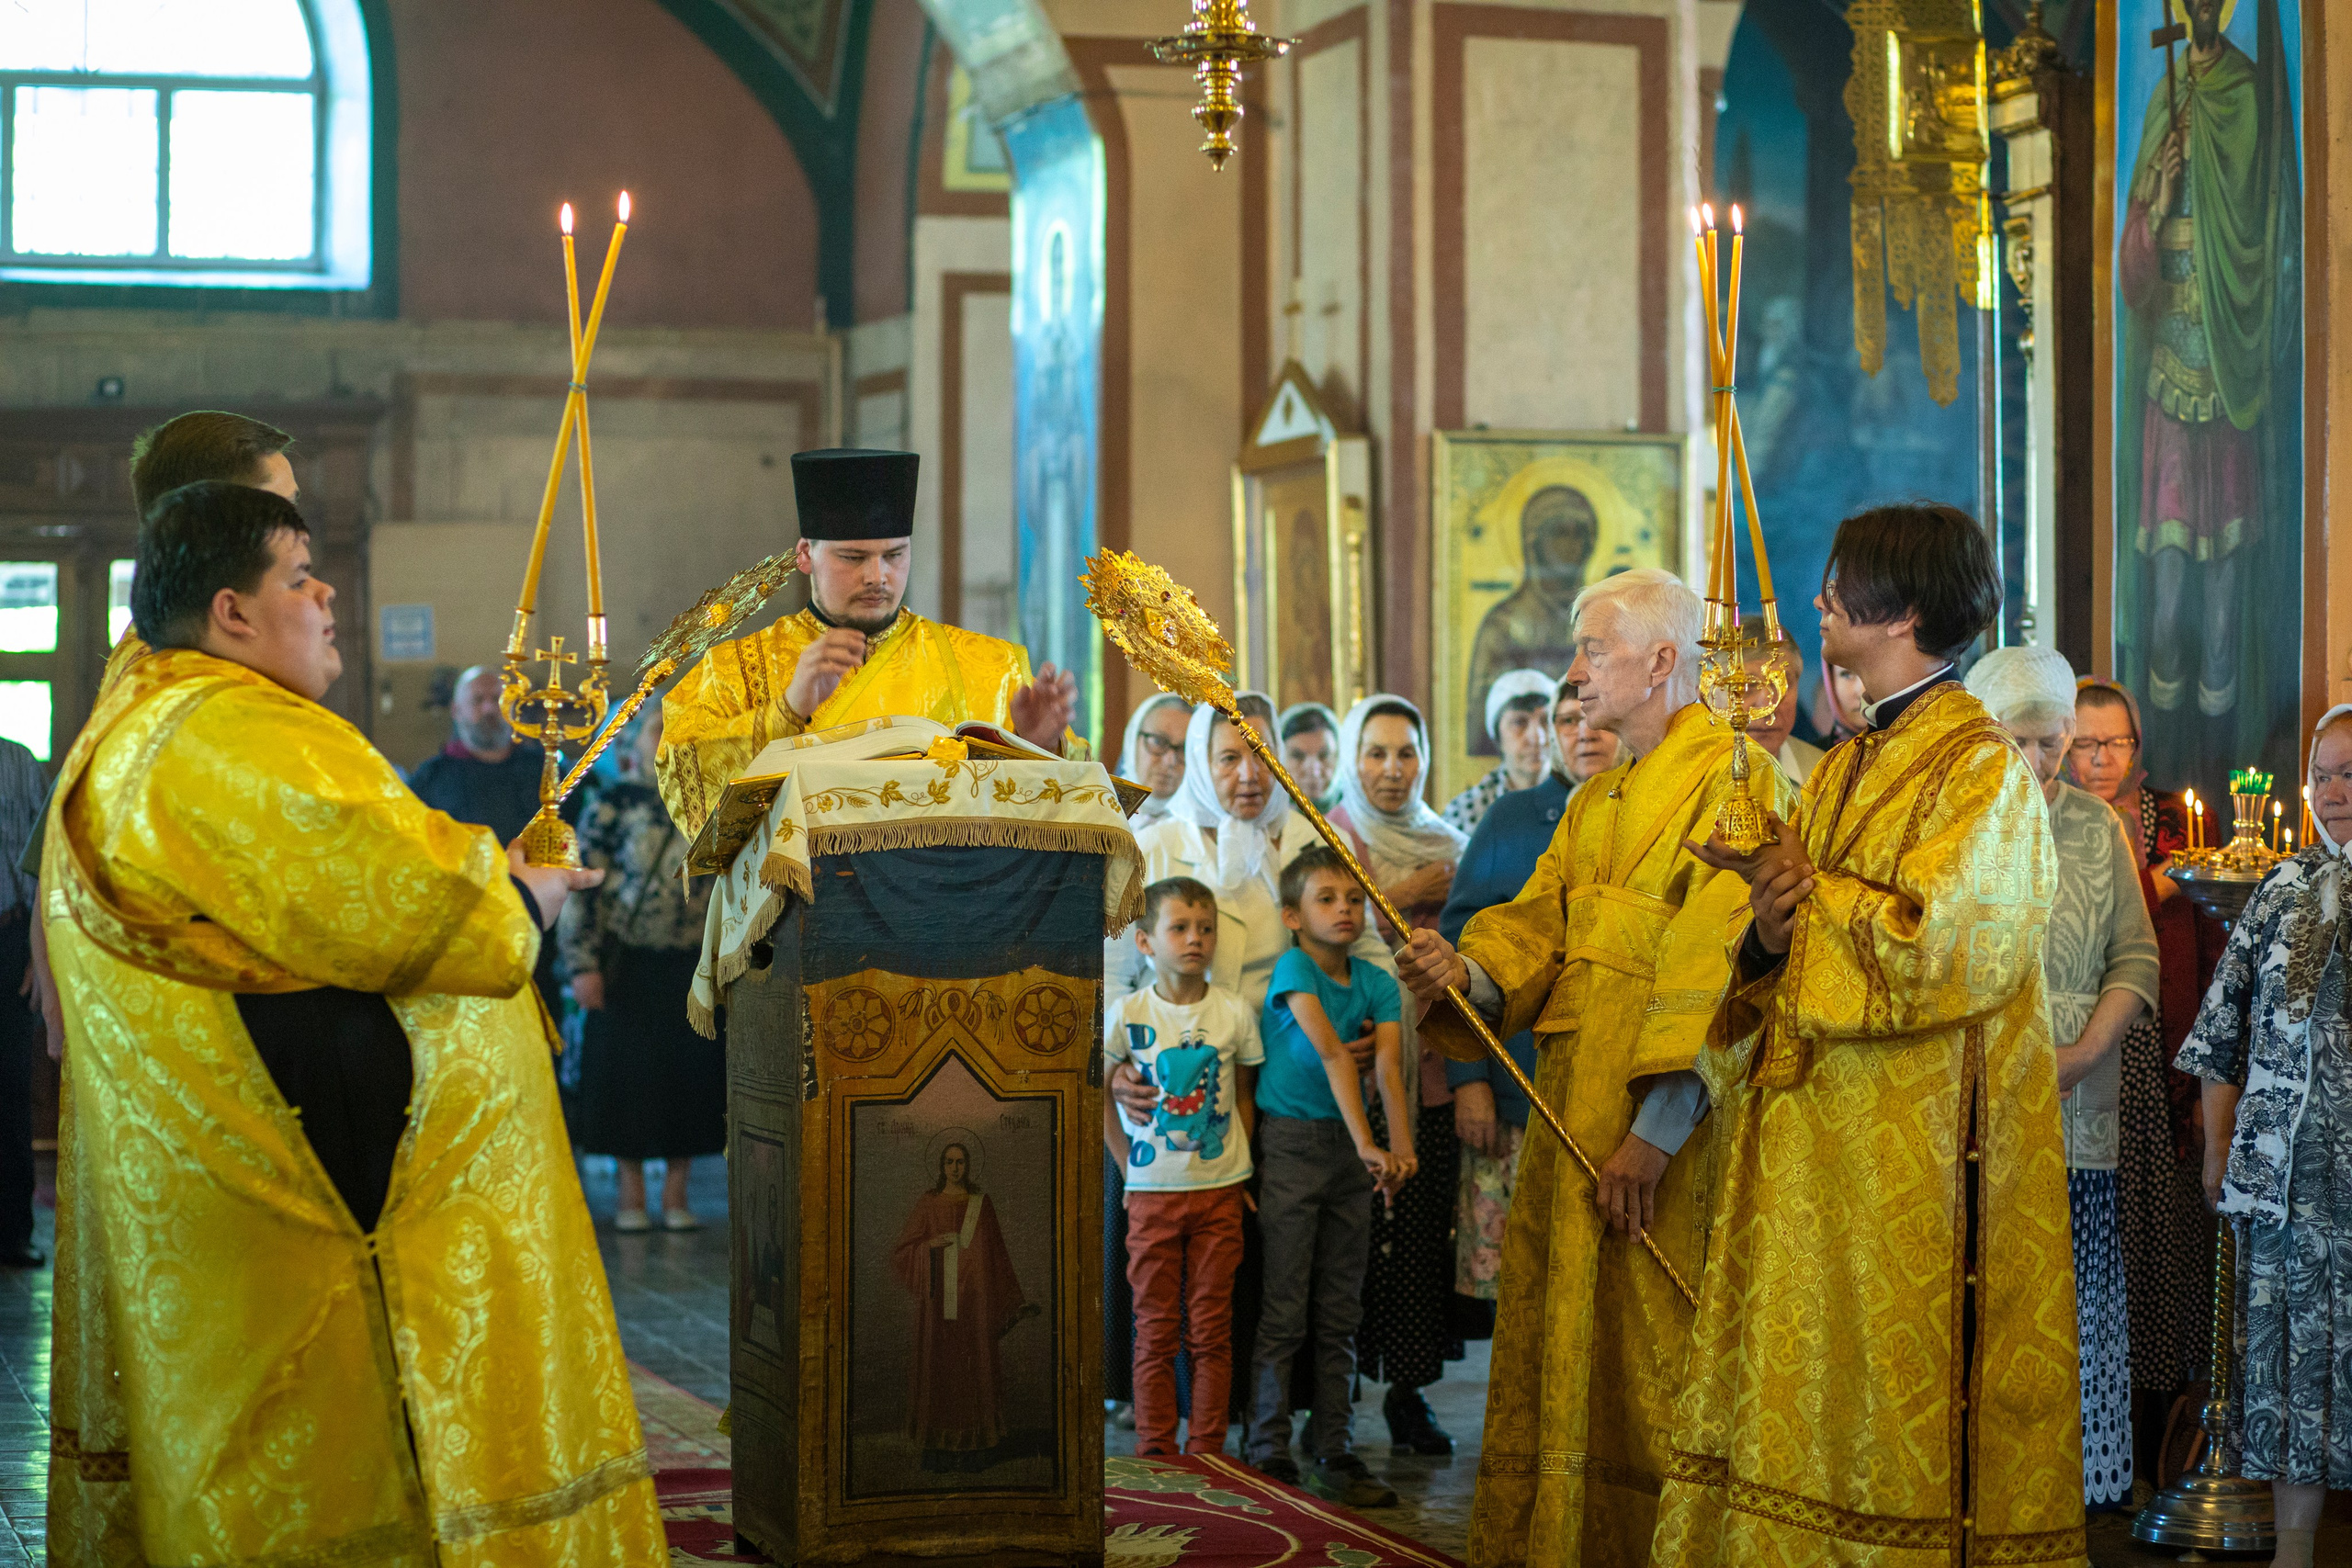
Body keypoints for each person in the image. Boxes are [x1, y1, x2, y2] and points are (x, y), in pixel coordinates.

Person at [42, 482, 660, 1562]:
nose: (328, 595)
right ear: (232, 612)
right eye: (299, 575)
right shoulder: (225, 734)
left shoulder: (171, 720)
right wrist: (524, 891)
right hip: (310, 1199)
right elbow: (392, 903)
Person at [1655, 502, 2080, 1562]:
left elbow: (1947, 949)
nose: (1817, 602)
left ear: (1900, 610)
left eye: (1840, 586)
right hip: (1808, 1155)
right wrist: (1765, 921)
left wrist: (1804, 891)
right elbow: (1788, 936)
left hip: (1914, 1175)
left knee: (1893, 1408)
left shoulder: (1977, 771)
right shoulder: (1844, 765)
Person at [1396, 568, 1793, 1567]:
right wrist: (1469, 970)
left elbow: (1721, 967)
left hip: (1663, 1140)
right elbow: (1537, 926)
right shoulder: (1598, 799)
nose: (1571, 675)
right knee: (1568, 1346)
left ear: (1663, 663)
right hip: (1571, 1115)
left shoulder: (1734, 782)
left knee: (1658, 1364)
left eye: (1592, 651)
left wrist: (1654, 1137)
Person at [21, 410, 302, 1059]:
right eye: (285, 506)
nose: (300, 529)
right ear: (224, 516)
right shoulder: (178, 663)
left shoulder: (155, 645)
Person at [657, 448, 1080, 836]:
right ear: (806, 555)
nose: (877, 576)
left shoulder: (993, 665)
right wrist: (788, 710)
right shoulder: (735, 666)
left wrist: (1036, 745)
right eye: (853, 558)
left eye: (895, 555)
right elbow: (683, 770)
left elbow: (1071, 803)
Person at [1969, 646, 2158, 1510]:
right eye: (2022, 742)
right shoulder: (1954, 822)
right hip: (1974, 1107)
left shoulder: (2096, 826)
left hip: (2081, 1103)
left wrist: (2083, 1055)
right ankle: (1981, 1480)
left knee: (2077, 1291)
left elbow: (2136, 956)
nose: (2041, 763)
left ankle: (2076, 1485)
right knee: (1983, 1293)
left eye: (2055, 743)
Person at [2176, 706, 2352, 1568]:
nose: (2334, 790)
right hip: (2282, 1185)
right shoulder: (2283, 887)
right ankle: (2295, 1551)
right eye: (2323, 773)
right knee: (2291, 1375)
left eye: (2351, 771)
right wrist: (2217, 1148)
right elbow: (2221, 1032)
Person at [2067, 676, 2216, 1476]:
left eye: (2113, 743)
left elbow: (2200, 940)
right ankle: (2096, 1439)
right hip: (2083, 1058)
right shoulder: (2055, 822)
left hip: (2163, 1055)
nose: (2097, 759)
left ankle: (2163, 1431)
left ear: (2137, 747)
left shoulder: (2175, 826)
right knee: (2094, 1246)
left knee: (2160, 1244)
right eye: (2083, 742)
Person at [1437, 684, 1618, 1325]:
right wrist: (1468, 1079)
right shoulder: (1511, 818)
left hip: (1618, 1087)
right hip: (1518, 1080)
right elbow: (1463, 952)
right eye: (1567, 721)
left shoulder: (1654, 810)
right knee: (1522, 1291)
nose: (1582, 732)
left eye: (1594, 718)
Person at [1324, 694, 1465, 1453]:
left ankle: (1408, 1396)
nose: (1390, 769)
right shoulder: (1330, 836)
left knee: (1415, 1238)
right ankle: (1336, 1393)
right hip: (1351, 1079)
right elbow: (1326, 934)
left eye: (1406, 752)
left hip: (1432, 1073)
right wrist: (1402, 901)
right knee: (1348, 1239)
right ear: (1353, 759)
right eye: (1375, 753)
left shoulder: (1451, 843)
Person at [1249, 847, 1409, 1507]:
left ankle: (1334, 1446)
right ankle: (1265, 1447)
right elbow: (1334, 1053)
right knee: (1285, 1307)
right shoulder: (1293, 967)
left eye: (1354, 898)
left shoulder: (1377, 980)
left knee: (1341, 1309)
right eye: (1326, 898)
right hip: (1291, 1144)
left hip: (1355, 1157)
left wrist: (1402, 1151)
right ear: (1292, 915)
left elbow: (1389, 1070)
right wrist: (1372, 1140)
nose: (1344, 909)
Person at [1102, 876, 1261, 1458]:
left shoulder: (1233, 1013)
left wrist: (1243, 1169)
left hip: (1220, 1191)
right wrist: (1126, 1167)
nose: (1196, 939)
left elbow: (1244, 1097)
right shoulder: (1128, 1013)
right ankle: (1154, 1450)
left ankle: (1210, 1450)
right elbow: (1100, 1089)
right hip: (1152, 1194)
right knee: (1155, 1327)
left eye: (1206, 928)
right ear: (1145, 942)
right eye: (1180, 928)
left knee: (1211, 1328)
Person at [560, 706, 720, 1233]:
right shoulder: (613, 801)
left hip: (690, 961)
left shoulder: (710, 802)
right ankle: (630, 1192)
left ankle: (676, 1191)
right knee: (624, 1075)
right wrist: (582, 963)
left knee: (688, 1074)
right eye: (659, 731)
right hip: (626, 960)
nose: (669, 740)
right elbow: (581, 882)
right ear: (638, 742)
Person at [890, 1141, 1037, 1472]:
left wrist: (1013, 1302)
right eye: (949, 1162)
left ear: (968, 1166)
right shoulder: (929, 1204)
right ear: (941, 1166)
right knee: (939, 1369)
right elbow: (902, 1252)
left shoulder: (980, 1205)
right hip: (937, 1304)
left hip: (974, 1304)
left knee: (972, 1370)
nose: (955, 1168)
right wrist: (930, 1245)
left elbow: (998, 1257)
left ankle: (974, 1448)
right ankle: (936, 1448)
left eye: (960, 1162)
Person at [0, 738, 42, 1270]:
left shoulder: (18, 762)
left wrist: (39, 951)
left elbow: (42, 858)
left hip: (9, 942)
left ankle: (11, 1232)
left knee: (10, 1086)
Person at [1442, 670, 1556, 834]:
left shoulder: (1577, 800)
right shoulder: (1468, 812)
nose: (1537, 738)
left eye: (1546, 721)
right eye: (1519, 722)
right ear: (1497, 736)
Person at [1740, 625, 1824, 786]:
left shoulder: (1825, 774)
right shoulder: (1688, 778)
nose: (1769, 706)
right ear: (1707, 695)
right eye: (1747, 685)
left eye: (1781, 684)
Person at [1119, 693, 1193, 828]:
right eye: (1158, 742)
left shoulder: (1205, 831)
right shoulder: (1100, 814)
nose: (1170, 761)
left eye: (1183, 749)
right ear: (1132, 742)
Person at [1279, 702, 1342, 813]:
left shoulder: (1358, 819)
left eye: (1324, 755)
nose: (1314, 771)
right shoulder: (1263, 822)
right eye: (1298, 756)